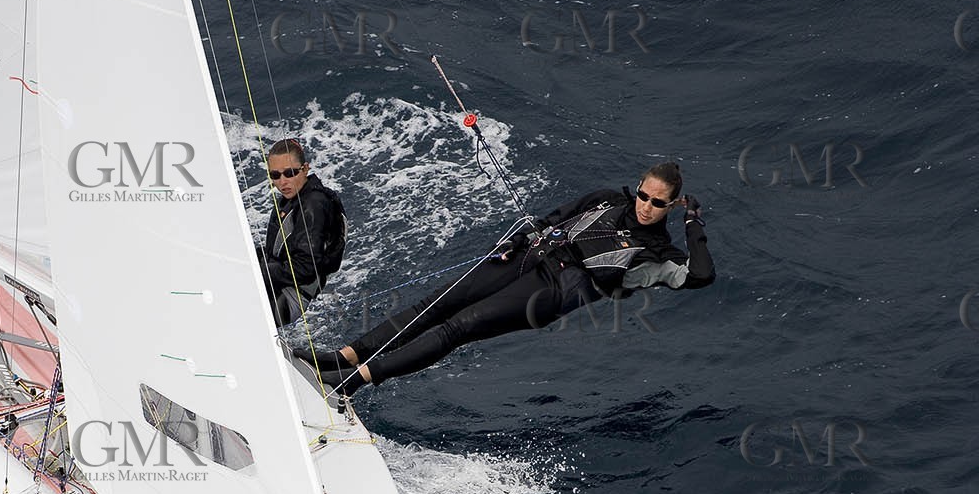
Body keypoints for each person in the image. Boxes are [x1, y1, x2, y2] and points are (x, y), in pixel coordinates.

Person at [301, 161, 714, 395]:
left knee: (458, 327)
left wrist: (694, 224)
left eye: (658, 203)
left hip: (552, 292)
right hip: (529, 256)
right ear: (637, 186)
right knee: (438, 303)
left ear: (672, 205)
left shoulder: (659, 254)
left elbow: (700, 276)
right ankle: (346, 356)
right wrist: (518, 240)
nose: (646, 206)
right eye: (643, 195)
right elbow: (554, 218)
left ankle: (354, 381)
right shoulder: (606, 198)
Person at [257, 139, 346, 327]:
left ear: (305, 169)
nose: (282, 182)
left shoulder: (313, 205)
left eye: (290, 173)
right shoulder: (292, 198)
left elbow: (306, 268)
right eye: (275, 175)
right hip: (277, 282)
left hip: (289, 298)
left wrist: (258, 272)